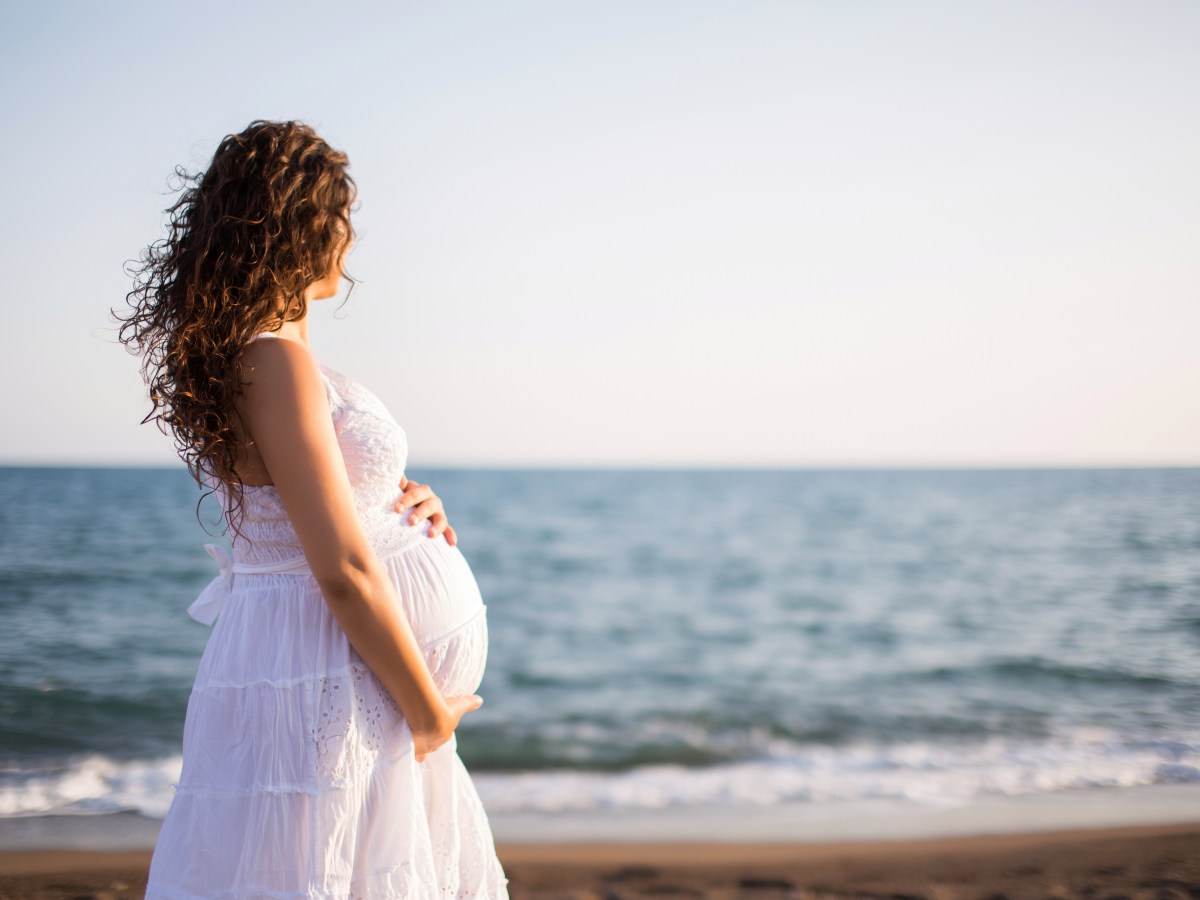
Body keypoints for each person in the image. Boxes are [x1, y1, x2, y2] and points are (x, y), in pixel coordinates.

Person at [118, 120, 509, 898]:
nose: (352, 238)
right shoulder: (273, 360)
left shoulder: (269, 358)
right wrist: (429, 714)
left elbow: (314, 504)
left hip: (319, 665)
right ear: (295, 222)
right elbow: (341, 572)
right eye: (342, 215)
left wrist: (400, 497)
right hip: (325, 667)